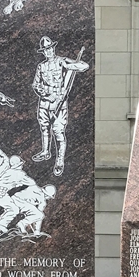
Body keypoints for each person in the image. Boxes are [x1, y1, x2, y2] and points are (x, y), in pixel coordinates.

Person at [31, 36, 87, 176]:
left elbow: (84, 66)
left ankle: (60, 161)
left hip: (59, 105)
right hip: (44, 103)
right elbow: (36, 84)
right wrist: (45, 95)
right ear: (43, 52)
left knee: (58, 133)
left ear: (53, 48)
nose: (48, 51)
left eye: (49, 48)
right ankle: (45, 152)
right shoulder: (41, 66)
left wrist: (73, 65)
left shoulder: (61, 61)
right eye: (45, 50)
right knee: (44, 128)